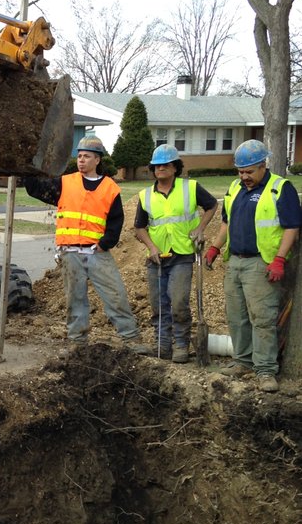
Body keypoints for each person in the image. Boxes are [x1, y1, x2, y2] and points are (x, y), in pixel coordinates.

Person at [25, 135, 149, 352]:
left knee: (115, 294)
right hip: (70, 253)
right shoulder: (65, 182)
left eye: (87, 156)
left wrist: (105, 243)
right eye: (80, 156)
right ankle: (77, 342)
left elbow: (116, 220)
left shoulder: (109, 188)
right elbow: (36, 188)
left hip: (96, 252)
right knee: (75, 299)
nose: (81, 160)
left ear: (97, 160)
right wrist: (27, 168)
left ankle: (131, 338)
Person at [204, 139, 301, 393]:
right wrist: (215, 247)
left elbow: (292, 226)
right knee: (236, 316)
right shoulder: (235, 188)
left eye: (249, 171)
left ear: (263, 166)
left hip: (262, 263)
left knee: (263, 318)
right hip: (235, 261)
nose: (243, 176)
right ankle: (243, 361)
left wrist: (280, 259)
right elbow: (226, 223)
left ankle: (266, 369)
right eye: (240, 171)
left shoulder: (280, 188)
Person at [134, 144, 218, 362]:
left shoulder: (190, 188)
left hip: (182, 254)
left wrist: (200, 228)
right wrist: (151, 247)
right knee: (158, 304)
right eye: (156, 166)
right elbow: (140, 227)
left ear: (175, 167)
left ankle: (181, 344)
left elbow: (211, 205)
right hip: (156, 258)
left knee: (179, 302)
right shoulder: (145, 195)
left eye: (165, 165)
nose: (160, 169)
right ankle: (163, 344)